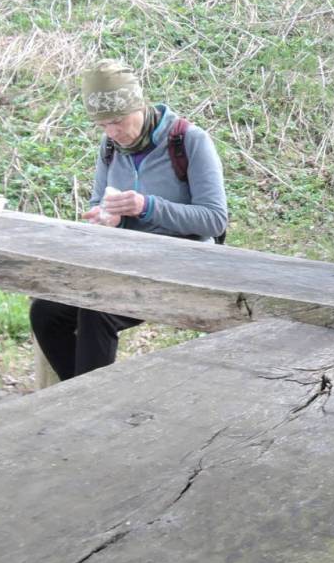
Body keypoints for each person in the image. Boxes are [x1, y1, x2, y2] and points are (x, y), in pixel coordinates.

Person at [29, 59, 228, 380]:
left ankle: (90, 402)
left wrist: (147, 207)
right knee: (46, 311)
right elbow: (98, 202)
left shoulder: (190, 141)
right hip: (127, 264)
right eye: (102, 125)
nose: (112, 132)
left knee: (97, 312)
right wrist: (106, 218)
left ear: (139, 105)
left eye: (117, 121)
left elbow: (215, 219)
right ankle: (83, 396)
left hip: (182, 268)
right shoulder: (109, 146)